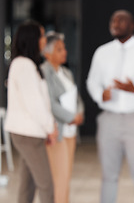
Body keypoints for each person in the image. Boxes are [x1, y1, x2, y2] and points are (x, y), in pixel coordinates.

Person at [86, 9, 134, 203]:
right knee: (108, 176)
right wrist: (99, 95)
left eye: (121, 21)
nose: (115, 24)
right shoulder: (102, 52)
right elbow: (92, 82)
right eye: (113, 20)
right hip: (109, 119)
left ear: (132, 25)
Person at [5, 20, 56, 203]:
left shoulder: (26, 64)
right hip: (28, 134)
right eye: (42, 36)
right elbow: (35, 103)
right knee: (46, 185)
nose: (44, 40)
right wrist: (50, 127)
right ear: (33, 39)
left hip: (29, 132)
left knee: (28, 186)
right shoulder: (24, 65)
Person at [41, 31, 85, 203]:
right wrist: (70, 116)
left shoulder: (66, 72)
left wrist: (78, 114)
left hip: (70, 132)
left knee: (65, 179)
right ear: (47, 53)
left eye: (64, 48)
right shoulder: (44, 72)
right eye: (59, 49)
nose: (64, 51)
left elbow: (77, 98)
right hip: (57, 131)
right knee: (58, 179)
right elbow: (50, 103)